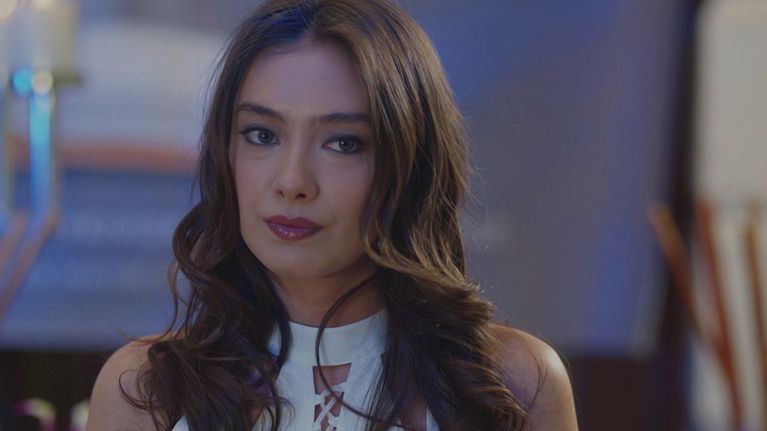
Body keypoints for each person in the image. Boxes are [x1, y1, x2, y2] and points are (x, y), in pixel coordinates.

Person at [87, 0, 578, 430]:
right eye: (262, 135)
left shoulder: (515, 381)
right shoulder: (145, 389)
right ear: (225, 152)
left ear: (410, 164)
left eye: (343, 143)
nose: (292, 181)